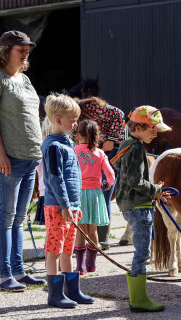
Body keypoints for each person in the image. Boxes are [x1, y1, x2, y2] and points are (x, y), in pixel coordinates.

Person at [0, 30, 47, 291]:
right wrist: (0, 153)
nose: (26, 51)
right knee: (6, 217)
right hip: (10, 158)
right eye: (21, 48)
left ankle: (19, 270)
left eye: (28, 47)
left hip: (30, 158)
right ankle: (5, 274)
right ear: (6, 50)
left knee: (18, 219)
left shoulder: (25, 80)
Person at [112, 106, 172, 312]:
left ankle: (138, 297)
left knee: (141, 251)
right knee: (142, 252)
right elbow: (135, 180)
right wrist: (155, 189)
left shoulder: (127, 145)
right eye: (152, 129)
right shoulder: (136, 148)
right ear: (138, 127)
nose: (156, 134)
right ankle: (138, 300)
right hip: (139, 207)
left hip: (132, 205)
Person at [42, 94, 95, 308]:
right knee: (54, 251)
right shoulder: (54, 146)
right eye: (72, 120)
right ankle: (54, 295)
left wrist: (76, 205)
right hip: (57, 207)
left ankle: (72, 291)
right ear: (57, 120)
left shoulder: (67, 144)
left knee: (68, 250)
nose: (75, 124)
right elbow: (56, 180)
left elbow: (74, 179)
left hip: (70, 207)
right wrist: (65, 205)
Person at [78, 97, 125, 251]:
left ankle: (101, 240)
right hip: (97, 149)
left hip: (110, 148)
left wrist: (111, 139)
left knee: (104, 195)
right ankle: (95, 241)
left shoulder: (90, 109)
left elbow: (118, 113)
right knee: (101, 194)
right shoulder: (80, 114)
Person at [74, 120, 115, 275]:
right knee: (93, 230)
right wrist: (108, 184)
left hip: (80, 194)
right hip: (96, 194)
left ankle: (80, 267)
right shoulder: (100, 153)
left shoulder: (74, 151)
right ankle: (91, 265)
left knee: (81, 232)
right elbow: (110, 174)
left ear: (78, 136)